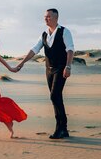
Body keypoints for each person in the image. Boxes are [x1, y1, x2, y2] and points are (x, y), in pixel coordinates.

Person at [16, 8, 74, 139]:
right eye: (45, 17)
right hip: (49, 69)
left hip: (61, 68)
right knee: (56, 98)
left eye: (48, 17)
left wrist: (68, 66)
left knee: (54, 96)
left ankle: (60, 128)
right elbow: (34, 49)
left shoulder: (64, 31)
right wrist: (23, 62)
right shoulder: (44, 34)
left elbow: (70, 49)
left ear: (55, 18)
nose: (45, 18)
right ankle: (63, 129)